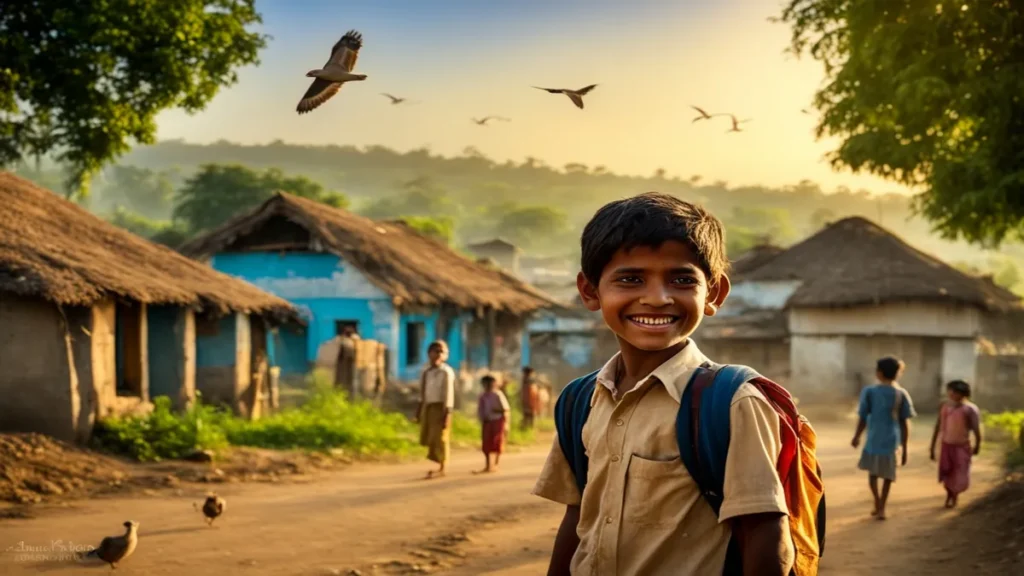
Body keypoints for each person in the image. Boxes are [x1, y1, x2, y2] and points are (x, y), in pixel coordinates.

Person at [532, 192, 796, 576]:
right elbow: (579, 516)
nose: (656, 298)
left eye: (681, 279)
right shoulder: (581, 400)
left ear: (714, 294)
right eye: (631, 278)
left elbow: (765, 532)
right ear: (590, 291)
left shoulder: (733, 402)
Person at [851, 356, 916, 521]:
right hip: (892, 441)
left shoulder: (870, 392)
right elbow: (904, 422)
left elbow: (863, 417)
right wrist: (905, 447)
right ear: (897, 374)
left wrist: (857, 436)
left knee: (873, 474)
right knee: (888, 475)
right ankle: (882, 507)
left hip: (873, 439)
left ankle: (877, 501)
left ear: (879, 373)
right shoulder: (901, 394)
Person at [930, 379, 982, 508]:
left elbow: (976, 429)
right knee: (947, 472)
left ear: (964, 394)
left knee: (959, 473)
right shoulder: (945, 407)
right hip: (946, 445)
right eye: (950, 391)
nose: (952, 394)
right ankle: (949, 495)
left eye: (955, 392)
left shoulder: (970, 409)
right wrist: (932, 447)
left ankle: (955, 495)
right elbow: (938, 426)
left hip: (962, 446)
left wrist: (978, 445)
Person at [417, 340, 455, 479]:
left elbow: (448, 394)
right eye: (436, 351)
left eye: (442, 352)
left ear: (446, 355)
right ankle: (438, 462)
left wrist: (448, 413)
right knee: (430, 436)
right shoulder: (426, 372)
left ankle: (443, 467)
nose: (438, 354)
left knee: (441, 438)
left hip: (442, 408)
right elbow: (422, 392)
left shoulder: (446, 372)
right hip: (429, 407)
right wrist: (419, 410)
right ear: (429, 353)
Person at [475, 374, 511, 474]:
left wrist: (505, 421)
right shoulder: (482, 396)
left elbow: (505, 409)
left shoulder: (498, 394)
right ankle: (487, 465)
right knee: (486, 443)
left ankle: (496, 463)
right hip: (487, 421)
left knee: (497, 441)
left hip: (497, 420)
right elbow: (480, 409)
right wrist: (482, 417)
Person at [520, 366, 540, 431]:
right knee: (528, 414)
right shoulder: (527, 380)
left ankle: (529, 429)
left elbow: (532, 391)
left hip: (531, 399)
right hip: (528, 399)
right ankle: (527, 428)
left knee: (530, 415)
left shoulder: (530, 380)